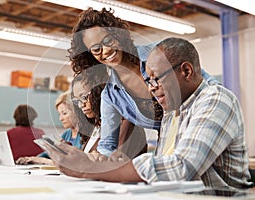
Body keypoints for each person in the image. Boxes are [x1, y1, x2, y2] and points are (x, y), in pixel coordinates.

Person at [45, 37, 252, 189]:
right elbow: (165, 164)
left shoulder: (215, 99)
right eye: (148, 80)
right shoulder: (171, 114)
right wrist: (119, 163)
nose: (151, 87)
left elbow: (181, 168)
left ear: (186, 71)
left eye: (156, 79)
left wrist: (89, 168)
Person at [68, 7, 218, 157]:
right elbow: (107, 145)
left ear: (118, 35)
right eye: (96, 49)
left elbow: (210, 86)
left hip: (203, 131)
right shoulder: (111, 96)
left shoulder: (160, 53)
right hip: (169, 148)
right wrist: (94, 158)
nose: (105, 50)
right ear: (90, 55)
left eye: (108, 40)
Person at [16, 91, 83, 165]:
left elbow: (73, 162)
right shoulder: (67, 134)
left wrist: (43, 161)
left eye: (64, 113)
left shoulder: (85, 135)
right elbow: (49, 153)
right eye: (59, 114)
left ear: (77, 112)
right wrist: (31, 159)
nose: (60, 118)